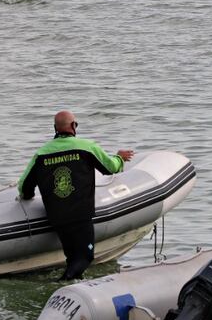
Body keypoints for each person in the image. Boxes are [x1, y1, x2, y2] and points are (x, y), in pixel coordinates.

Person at [18, 110, 134, 280]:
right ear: (73, 126)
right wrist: (120, 157)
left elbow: (24, 186)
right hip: (80, 214)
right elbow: (110, 167)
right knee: (85, 257)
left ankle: (72, 281)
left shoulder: (41, 154)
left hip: (56, 216)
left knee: (72, 257)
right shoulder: (86, 147)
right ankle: (62, 283)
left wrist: (28, 197)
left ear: (55, 128)